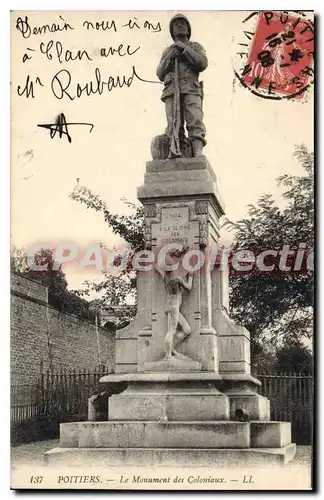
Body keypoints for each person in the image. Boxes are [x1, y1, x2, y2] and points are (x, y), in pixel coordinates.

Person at [156, 14, 208, 157]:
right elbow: (159, 73)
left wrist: (184, 49)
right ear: (171, 30)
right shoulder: (168, 51)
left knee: (195, 119)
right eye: (176, 24)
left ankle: (197, 153)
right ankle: (178, 153)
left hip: (191, 88)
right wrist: (170, 56)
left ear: (188, 29)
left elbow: (202, 63)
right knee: (174, 124)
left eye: (183, 23)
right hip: (172, 91)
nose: (180, 25)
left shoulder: (195, 46)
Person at [162, 247, 193, 360]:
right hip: (174, 306)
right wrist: (191, 276)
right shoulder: (177, 278)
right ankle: (167, 355)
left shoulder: (165, 277)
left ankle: (172, 349)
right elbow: (188, 288)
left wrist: (181, 253)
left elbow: (172, 255)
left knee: (187, 330)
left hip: (170, 305)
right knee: (171, 330)